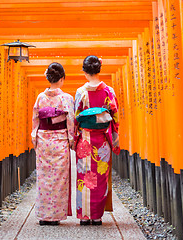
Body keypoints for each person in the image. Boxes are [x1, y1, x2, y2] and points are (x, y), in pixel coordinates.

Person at [74, 55, 120, 225]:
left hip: (85, 141)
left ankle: (84, 216)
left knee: (84, 176)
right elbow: (114, 118)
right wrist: (114, 137)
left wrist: (74, 138)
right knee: (100, 177)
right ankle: (97, 216)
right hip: (101, 142)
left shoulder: (81, 92)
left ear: (84, 71)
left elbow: (76, 117)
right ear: (99, 69)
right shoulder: (109, 91)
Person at [31, 62, 74, 226]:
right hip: (60, 139)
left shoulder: (40, 98)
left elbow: (35, 120)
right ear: (62, 79)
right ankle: (55, 216)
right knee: (59, 178)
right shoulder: (66, 98)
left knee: (43, 177)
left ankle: (44, 215)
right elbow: (70, 122)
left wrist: (35, 139)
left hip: (43, 139)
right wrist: (72, 140)